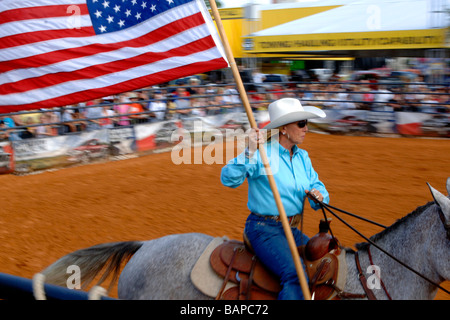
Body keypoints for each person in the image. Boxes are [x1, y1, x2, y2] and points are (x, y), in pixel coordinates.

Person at [220, 97, 329, 300]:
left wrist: (319, 195)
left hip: (291, 229)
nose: (306, 128)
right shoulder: (261, 152)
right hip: (263, 229)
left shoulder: (302, 157)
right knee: (295, 275)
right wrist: (249, 151)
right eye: (302, 123)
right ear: (284, 129)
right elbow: (228, 178)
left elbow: (316, 184)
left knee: (322, 263)